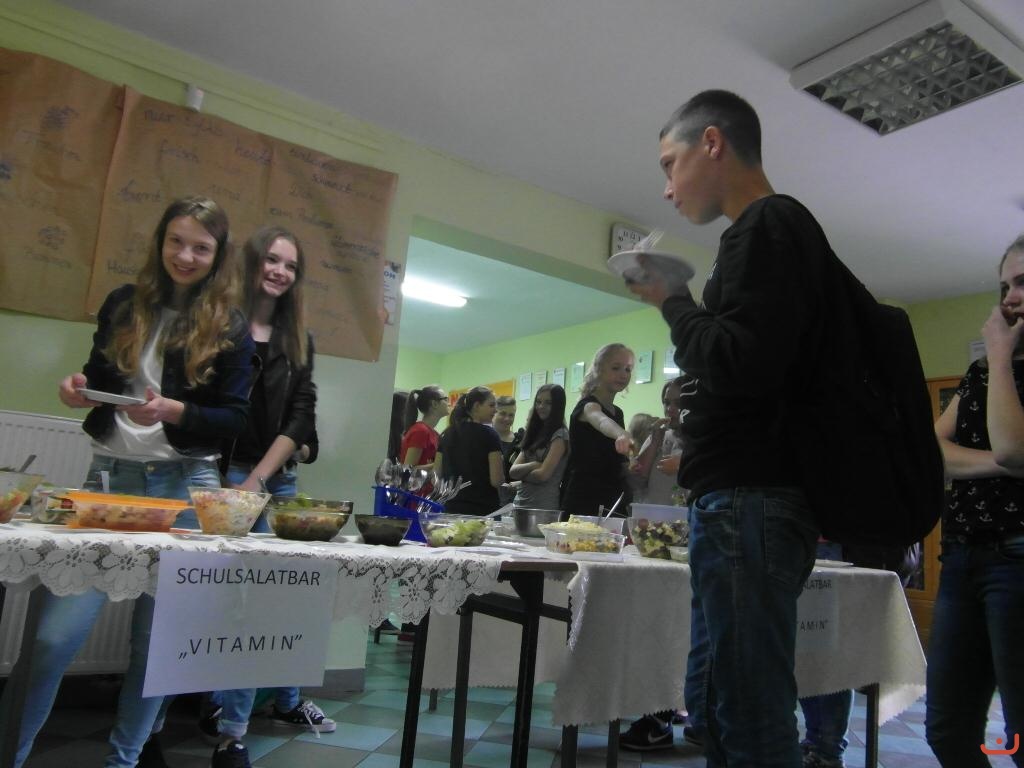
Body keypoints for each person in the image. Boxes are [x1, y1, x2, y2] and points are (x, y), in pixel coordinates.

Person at [1, 196, 254, 768]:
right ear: (160, 241)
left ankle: (124, 761)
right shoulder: (123, 303)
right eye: (176, 241)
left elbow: (235, 419)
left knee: (158, 646)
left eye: (200, 247)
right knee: (51, 639)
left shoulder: (230, 325)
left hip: (186, 487)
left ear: (218, 256)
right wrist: (77, 388)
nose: (184, 256)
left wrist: (173, 411)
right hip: (107, 480)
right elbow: (98, 378)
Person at [627, 90, 826, 766]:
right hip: (745, 502)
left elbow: (738, 364)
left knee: (748, 713)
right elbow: (754, 365)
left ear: (711, 143)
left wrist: (672, 301)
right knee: (719, 706)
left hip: (750, 500)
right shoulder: (769, 234)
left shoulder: (766, 225)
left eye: (669, 163)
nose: (667, 187)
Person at [199, 226, 333, 768]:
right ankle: (208, 705)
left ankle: (233, 733)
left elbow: (302, 417)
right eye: (272, 260)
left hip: (272, 480)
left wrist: (258, 477)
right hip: (218, 474)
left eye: (291, 266)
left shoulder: (298, 339)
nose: (280, 271)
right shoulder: (217, 323)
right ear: (253, 262)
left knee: (266, 604)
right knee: (215, 602)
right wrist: (236, 477)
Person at [925, 234, 1024, 768]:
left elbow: (1012, 446)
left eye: (1023, 283)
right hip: (963, 557)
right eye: (1004, 286)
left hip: (1018, 557)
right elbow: (933, 451)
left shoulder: (996, 365)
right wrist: (1004, 463)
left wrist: (1001, 356)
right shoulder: (982, 371)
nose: (1010, 298)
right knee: (947, 730)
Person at [560, 343, 635, 519]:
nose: (623, 374)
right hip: (584, 496)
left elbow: (617, 459)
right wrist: (621, 434)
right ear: (599, 370)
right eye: (616, 368)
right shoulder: (588, 406)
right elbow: (601, 421)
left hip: (612, 496)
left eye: (628, 369)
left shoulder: (618, 413)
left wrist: (633, 463)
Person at [436, 386, 503, 515]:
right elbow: (496, 480)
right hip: (483, 510)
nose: (495, 410)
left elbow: (436, 476)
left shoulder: (447, 434)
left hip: (450, 508)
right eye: (491, 405)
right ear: (477, 406)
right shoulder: (490, 434)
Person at [509, 384, 569, 510]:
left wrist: (522, 475)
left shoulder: (560, 434)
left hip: (542, 507)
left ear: (558, 406)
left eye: (548, 403)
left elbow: (543, 475)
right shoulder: (534, 433)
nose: (541, 406)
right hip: (519, 504)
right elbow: (513, 471)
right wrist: (534, 465)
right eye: (538, 402)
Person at [630, 378, 686, 506]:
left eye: (678, 403)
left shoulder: (700, 440)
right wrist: (654, 441)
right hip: (652, 513)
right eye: (666, 403)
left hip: (683, 514)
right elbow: (637, 481)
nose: (670, 409)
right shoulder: (658, 435)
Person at [399, 385, 449, 471]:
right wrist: (438, 464)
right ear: (434, 404)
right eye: (445, 399)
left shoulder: (435, 434)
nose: (448, 403)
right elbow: (407, 470)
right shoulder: (420, 431)